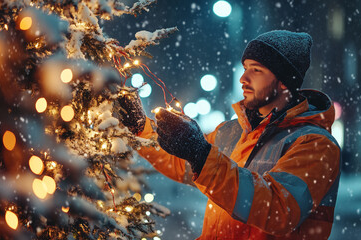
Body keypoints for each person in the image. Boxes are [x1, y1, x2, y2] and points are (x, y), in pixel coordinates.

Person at [119, 30, 341, 240]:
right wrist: (141, 128)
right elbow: (183, 163)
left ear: (284, 80)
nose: (243, 78)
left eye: (256, 70)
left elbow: (279, 210)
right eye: (245, 68)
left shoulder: (315, 143)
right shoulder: (232, 131)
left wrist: (201, 154)